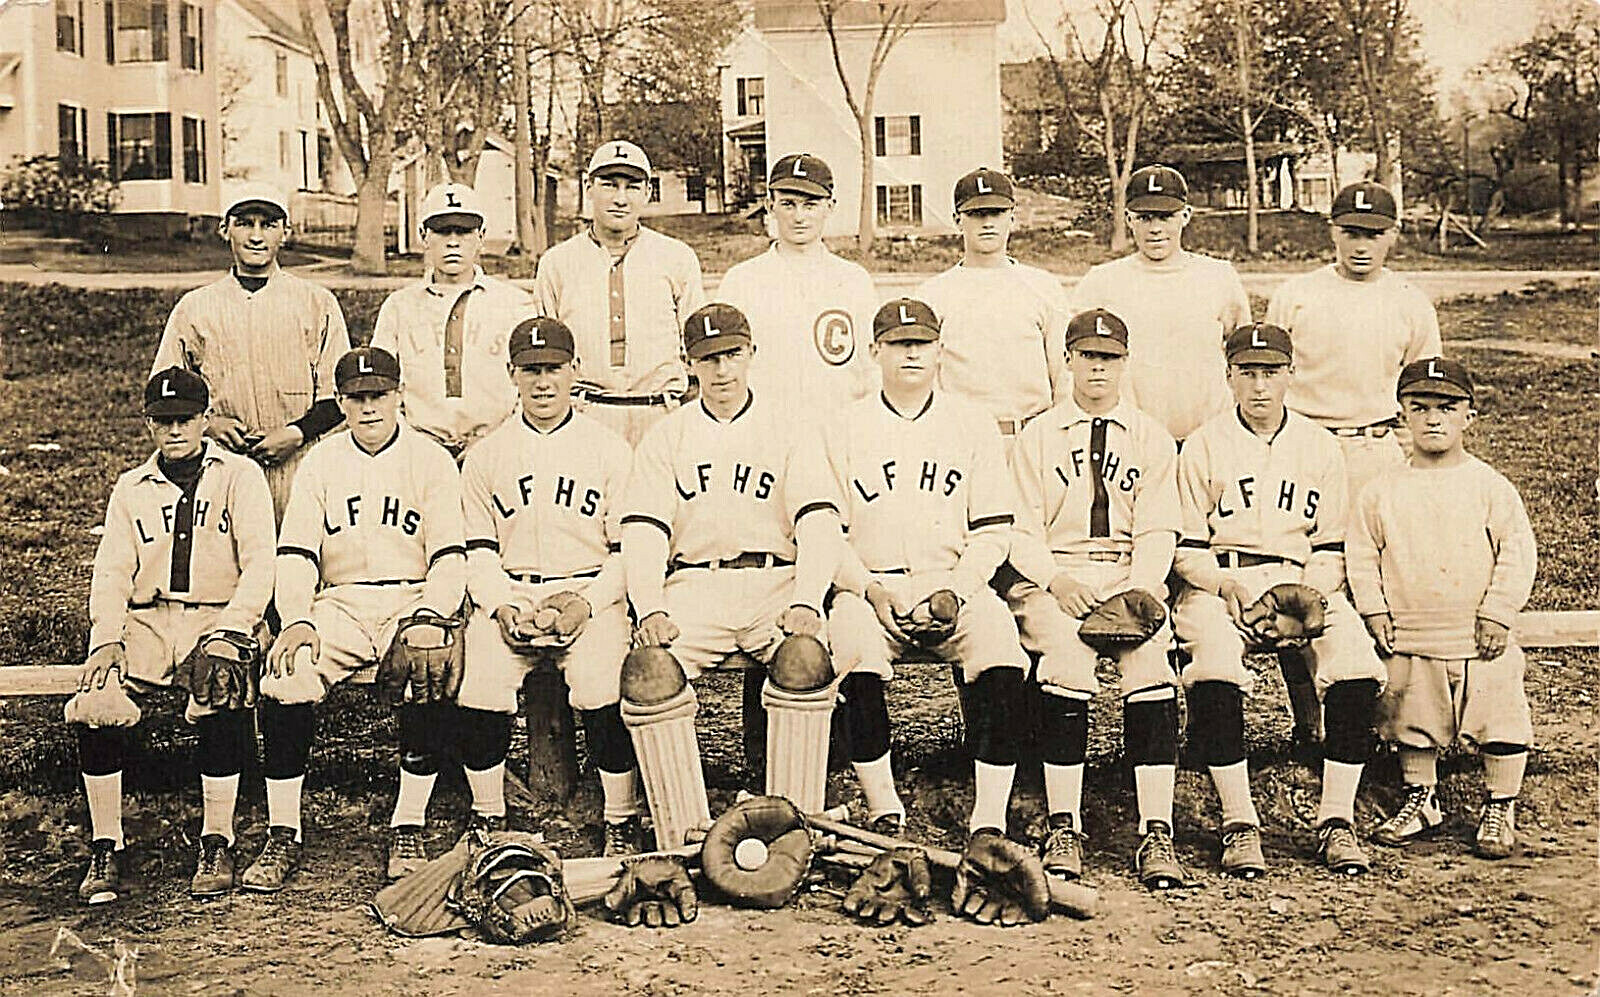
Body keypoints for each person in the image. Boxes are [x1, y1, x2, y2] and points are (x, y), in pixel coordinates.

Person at [239, 346, 466, 890]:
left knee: (426, 665)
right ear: (340, 402)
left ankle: (407, 823)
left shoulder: (429, 457)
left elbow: (450, 558)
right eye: (357, 398)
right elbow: (295, 553)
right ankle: (283, 830)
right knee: (286, 675)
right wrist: (296, 617)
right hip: (337, 602)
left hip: (411, 598)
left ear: (399, 396)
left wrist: (432, 615)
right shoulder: (322, 461)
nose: (368, 408)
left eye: (379, 396)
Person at [618, 302, 841, 850]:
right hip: (697, 583)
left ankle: (795, 831)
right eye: (708, 359)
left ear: (752, 355)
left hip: (776, 580)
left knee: (805, 656)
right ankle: (682, 834)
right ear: (690, 364)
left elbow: (819, 522)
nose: (721, 371)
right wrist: (649, 607)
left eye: (732, 355)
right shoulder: (667, 436)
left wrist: (809, 599)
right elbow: (644, 531)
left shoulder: (789, 427)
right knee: (648, 669)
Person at [1172, 323, 1387, 876]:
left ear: (1291, 375)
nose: (1260, 385)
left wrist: (1308, 598)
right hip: (1224, 583)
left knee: (1356, 663)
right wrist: (1226, 586)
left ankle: (1336, 818)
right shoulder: (1203, 444)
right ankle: (1239, 821)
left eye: (1271, 372)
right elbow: (1187, 548)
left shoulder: (1319, 445)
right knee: (1216, 666)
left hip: (1303, 582)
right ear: (1229, 377)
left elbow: (1332, 543)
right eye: (1248, 372)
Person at [818, 298, 1028, 848]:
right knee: (854, 654)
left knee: (1002, 648)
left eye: (921, 344)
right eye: (897, 344)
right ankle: (884, 805)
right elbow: (824, 534)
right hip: (872, 583)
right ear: (874, 352)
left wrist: (956, 591)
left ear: (939, 351)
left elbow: (992, 531)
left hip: (953, 580)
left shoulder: (972, 422)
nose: (910, 354)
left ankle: (989, 816)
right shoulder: (842, 426)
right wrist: (866, 587)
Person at [72, 367, 276, 903]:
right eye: (163, 421)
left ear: (206, 418)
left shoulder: (239, 474)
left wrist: (234, 628)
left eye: (185, 418)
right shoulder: (131, 487)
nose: (175, 430)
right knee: (96, 702)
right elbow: (112, 570)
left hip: (220, 614)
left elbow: (260, 565)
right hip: (149, 619)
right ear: (148, 425)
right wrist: (107, 636)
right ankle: (105, 844)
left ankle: (217, 839)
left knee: (220, 691)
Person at [1005, 308, 1186, 888]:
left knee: (1151, 665)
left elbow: (1160, 527)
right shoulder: (1037, 435)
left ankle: (1156, 829)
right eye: (1088, 356)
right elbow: (1019, 528)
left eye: (1109, 358)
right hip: (1059, 575)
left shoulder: (1152, 437)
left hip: (1130, 575)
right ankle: (1065, 823)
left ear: (1125, 363)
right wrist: (1055, 581)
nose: (1099, 368)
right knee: (1065, 660)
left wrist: (1142, 589)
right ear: (1069, 360)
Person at [457, 316, 645, 855]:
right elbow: (478, 552)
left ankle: (620, 817)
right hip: (513, 592)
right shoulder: (487, 454)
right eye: (531, 370)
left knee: (600, 686)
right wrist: (500, 606)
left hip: (590, 592)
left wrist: (587, 605)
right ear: (512, 374)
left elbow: (627, 551)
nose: (543, 382)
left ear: (575, 371)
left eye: (555, 369)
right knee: (482, 686)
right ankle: (488, 816)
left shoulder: (609, 449)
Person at [1265, 180, 1443, 748]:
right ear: (1331, 231)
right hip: (1306, 444)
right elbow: (1269, 371)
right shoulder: (1297, 294)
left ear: (1393, 235)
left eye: (1374, 234)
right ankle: (1306, 721)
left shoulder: (1409, 301)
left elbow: (1426, 386)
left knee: (1377, 577)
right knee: (1295, 571)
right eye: (1350, 233)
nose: (1361, 245)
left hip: (1374, 446)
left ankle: (1382, 720)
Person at [1348, 358, 1537, 860]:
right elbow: (1362, 556)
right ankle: (1421, 797)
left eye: (1447, 408)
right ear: (1400, 418)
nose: (1433, 419)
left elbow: (1517, 552)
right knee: (1413, 711)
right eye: (1420, 408)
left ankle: (1500, 803)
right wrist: (1374, 611)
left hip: (1477, 634)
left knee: (1497, 710)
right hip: (1411, 629)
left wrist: (1498, 611)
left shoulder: (1489, 486)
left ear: (1468, 417)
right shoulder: (1380, 490)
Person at [153, 182, 351, 521]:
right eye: (245, 223)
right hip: (223, 463)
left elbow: (340, 396)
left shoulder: (316, 303)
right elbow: (165, 390)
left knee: (300, 560)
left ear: (285, 232)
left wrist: (296, 433)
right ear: (224, 228)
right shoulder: (195, 308)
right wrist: (210, 424)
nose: (256, 236)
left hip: (300, 463)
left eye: (269, 224)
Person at [535, 140, 706, 444]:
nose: (620, 198)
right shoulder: (557, 263)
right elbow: (545, 355)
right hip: (586, 415)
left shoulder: (676, 257)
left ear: (648, 192)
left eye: (632, 186)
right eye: (610, 185)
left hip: (659, 414)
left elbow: (697, 349)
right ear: (589, 188)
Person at [1069, 165, 1250, 445]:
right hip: (1129, 442)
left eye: (1166, 217)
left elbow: (1244, 361)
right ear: (1129, 218)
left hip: (1208, 440)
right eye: (1145, 218)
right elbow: (1074, 367)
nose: (1155, 229)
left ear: (1186, 215)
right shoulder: (1101, 282)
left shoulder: (1218, 276)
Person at [370, 183, 536, 459]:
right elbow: (382, 385)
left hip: (500, 448)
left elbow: (531, 385)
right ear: (424, 235)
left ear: (481, 236)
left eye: (464, 232)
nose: (453, 242)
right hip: (419, 451)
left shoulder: (515, 304)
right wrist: (411, 442)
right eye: (442, 232)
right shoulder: (400, 306)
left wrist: (496, 442)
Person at [715, 153, 879, 423]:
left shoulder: (853, 280)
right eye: (788, 204)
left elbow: (872, 367)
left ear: (830, 206)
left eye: (810, 204)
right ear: (770, 206)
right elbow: (724, 370)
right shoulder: (741, 281)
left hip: (839, 425)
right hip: (766, 429)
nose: (799, 216)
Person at [916, 167, 1068, 443]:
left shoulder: (1043, 287)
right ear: (957, 220)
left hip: (1032, 438)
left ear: (1012, 216)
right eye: (976, 214)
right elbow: (926, 381)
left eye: (996, 213)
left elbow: (1063, 378)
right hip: (962, 439)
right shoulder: (933, 294)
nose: (987, 222)